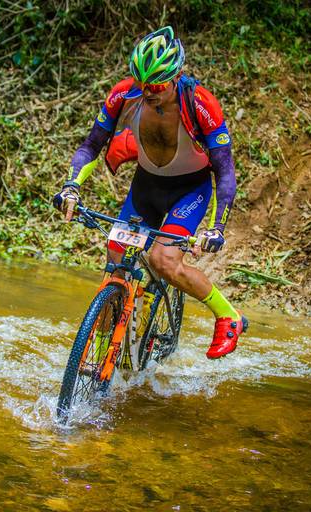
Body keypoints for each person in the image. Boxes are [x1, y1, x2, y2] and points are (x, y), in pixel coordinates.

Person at [53, 26, 246, 359]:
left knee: (163, 260)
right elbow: (91, 146)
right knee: (115, 259)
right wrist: (71, 187)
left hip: (190, 190)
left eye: (156, 85)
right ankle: (100, 358)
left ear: (176, 77)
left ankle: (228, 316)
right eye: (142, 83)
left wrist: (216, 228)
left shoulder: (200, 103)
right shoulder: (125, 95)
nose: (148, 92)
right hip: (146, 186)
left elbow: (225, 170)